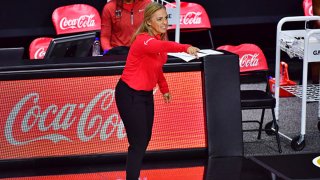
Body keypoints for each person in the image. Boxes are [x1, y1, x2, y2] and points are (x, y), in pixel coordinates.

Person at [114, 2, 200, 180]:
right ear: (148, 22)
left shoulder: (158, 41)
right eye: (159, 19)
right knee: (138, 143)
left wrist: (164, 88)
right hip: (129, 94)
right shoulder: (144, 40)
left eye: (166, 18)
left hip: (145, 95)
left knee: (145, 138)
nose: (164, 22)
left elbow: (156, 67)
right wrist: (185, 47)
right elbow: (163, 48)